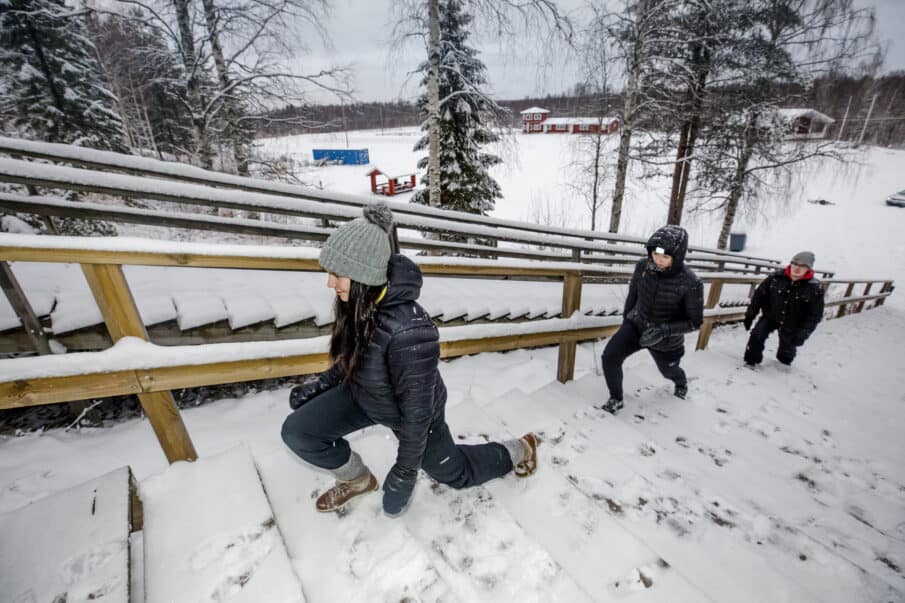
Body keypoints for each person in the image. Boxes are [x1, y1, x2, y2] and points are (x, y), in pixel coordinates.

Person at [281, 202, 539, 517]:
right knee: (298, 432)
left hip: (414, 414)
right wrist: (323, 384)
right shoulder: (359, 300)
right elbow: (358, 356)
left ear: (364, 275)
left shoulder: (411, 332)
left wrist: (405, 471)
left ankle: (521, 448)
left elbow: (416, 415)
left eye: (337, 275)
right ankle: (358, 479)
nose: (330, 283)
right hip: (366, 393)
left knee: (455, 473)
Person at [600, 225, 704, 413]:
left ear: (677, 257)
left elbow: (695, 322)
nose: (658, 260)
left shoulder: (691, 283)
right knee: (610, 357)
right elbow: (633, 295)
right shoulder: (643, 266)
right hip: (636, 324)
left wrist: (664, 330)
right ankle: (616, 398)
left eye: (665, 257)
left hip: (666, 338)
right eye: (656, 254)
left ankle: (680, 382)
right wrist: (627, 321)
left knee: (668, 372)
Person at [743, 251, 825, 367]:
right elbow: (759, 296)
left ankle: (784, 367)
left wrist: (802, 334)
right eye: (795, 264)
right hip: (771, 316)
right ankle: (750, 363)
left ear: (809, 269)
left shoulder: (814, 288)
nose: (797, 268)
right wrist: (750, 315)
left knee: (786, 351)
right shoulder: (775, 278)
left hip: (793, 323)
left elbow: (814, 315)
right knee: (756, 336)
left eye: (802, 266)